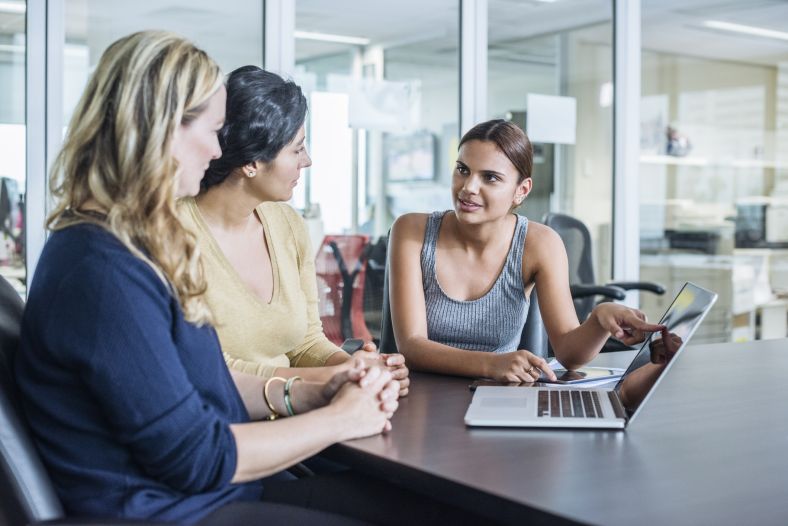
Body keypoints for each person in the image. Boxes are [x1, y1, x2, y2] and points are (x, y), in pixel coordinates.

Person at [14, 31, 400, 524]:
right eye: (214, 130)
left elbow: (201, 385)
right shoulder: (104, 270)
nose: (220, 152)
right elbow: (196, 458)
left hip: (219, 493)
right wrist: (341, 418)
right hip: (174, 511)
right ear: (161, 130)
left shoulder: (135, 245)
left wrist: (314, 390)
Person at [178, 66, 409, 395]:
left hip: (297, 405)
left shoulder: (287, 224)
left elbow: (306, 343)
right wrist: (330, 380)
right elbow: (213, 368)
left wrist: (354, 366)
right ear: (252, 163)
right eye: (297, 149)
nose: (308, 160)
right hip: (226, 418)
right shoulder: (173, 234)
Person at [388, 119, 662, 382]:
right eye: (463, 170)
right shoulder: (412, 231)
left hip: (498, 397)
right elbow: (411, 347)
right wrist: (490, 364)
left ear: (521, 190)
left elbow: (569, 354)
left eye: (490, 178)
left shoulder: (540, 244)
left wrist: (599, 320)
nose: (468, 187)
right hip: (418, 396)